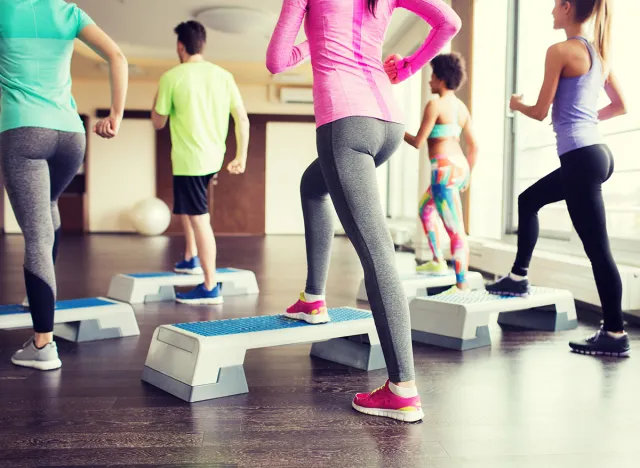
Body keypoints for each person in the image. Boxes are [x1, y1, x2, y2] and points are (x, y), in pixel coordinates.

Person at [267, 0, 460, 421]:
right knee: (312, 185)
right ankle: (312, 299)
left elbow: (276, 62)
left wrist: (309, 42)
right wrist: (407, 68)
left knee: (376, 251)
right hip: (388, 123)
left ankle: (402, 388)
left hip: (345, 123)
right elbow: (449, 20)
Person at [486, 0, 630, 357]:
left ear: (567, 7)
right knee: (528, 200)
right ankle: (518, 277)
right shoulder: (599, 53)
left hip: (582, 158)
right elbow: (620, 106)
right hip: (595, 152)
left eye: (554, 6)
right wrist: (582, 117)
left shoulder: (561, 50)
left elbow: (538, 111)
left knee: (598, 250)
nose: (551, 12)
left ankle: (614, 332)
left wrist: (515, 103)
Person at [0, 0, 128, 370]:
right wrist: (115, 114)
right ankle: (37, 298)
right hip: (71, 134)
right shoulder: (68, 12)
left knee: (36, 235)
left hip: (23, 131)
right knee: (49, 207)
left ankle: (42, 346)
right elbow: (116, 56)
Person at [152, 21, 250, 305]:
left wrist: (156, 99)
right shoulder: (223, 75)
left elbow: (158, 122)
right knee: (188, 208)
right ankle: (190, 256)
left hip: (189, 159)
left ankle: (209, 286)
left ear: (180, 46)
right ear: (202, 45)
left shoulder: (172, 76)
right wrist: (240, 155)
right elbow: (241, 118)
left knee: (199, 218)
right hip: (212, 158)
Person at [404, 53, 478, 292]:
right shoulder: (461, 108)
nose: (429, 81)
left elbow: (417, 141)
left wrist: (394, 129)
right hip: (458, 168)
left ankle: (461, 283)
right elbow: (474, 146)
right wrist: (467, 175)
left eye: (433, 76)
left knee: (455, 229)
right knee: (425, 209)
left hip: (443, 169)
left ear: (442, 78)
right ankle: (437, 261)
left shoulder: (435, 104)